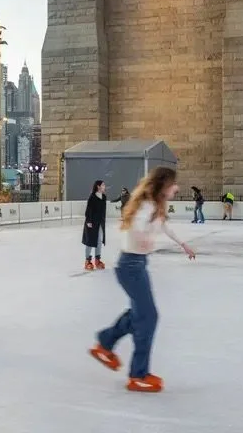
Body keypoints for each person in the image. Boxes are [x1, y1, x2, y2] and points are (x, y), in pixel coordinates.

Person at [89, 167, 195, 392]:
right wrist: (143, 238)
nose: (176, 188)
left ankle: (105, 343)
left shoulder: (156, 206)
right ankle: (138, 375)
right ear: (163, 185)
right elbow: (135, 225)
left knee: (141, 314)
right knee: (148, 317)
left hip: (137, 264)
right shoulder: (146, 205)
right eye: (173, 184)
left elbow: (164, 226)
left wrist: (183, 244)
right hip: (130, 266)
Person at [83, 180, 108, 271]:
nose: (104, 186)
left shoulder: (104, 197)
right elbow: (88, 210)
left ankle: (97, 260)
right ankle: (87, 261)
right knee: (90, 241)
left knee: (99, 241)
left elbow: (103, 212)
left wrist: (103, 221)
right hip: (91, 223)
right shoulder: (92, 197)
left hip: (100, 223)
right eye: (103, 185)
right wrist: (89, 221)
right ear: (98, 186)